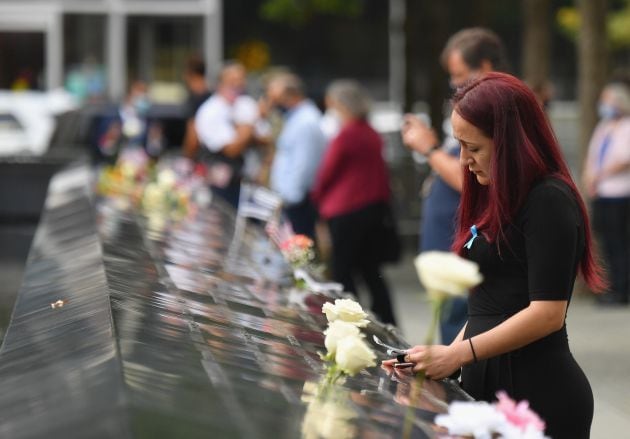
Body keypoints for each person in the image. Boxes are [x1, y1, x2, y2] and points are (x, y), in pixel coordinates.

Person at [386, 73, 606, 439]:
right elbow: (488, 306)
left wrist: (457, 356)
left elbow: (547, 313)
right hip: (487, 386)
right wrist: (439, 358)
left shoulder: (548, 199)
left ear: (510, 143)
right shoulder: (496, 194)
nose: (464, 160)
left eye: (474, 148)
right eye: (459, 145)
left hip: (537, 396)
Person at [402, 27, 509, 344]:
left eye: (460, 74)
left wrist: (429, 150)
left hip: (465, 253)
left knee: (461, 342)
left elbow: (473, 178)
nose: (454, 84)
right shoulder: (475, 108)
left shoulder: (493, 109)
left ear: (485, 67)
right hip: (454, 251)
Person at [311, 80, 396, 324]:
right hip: (372, 209)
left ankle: (349, 321)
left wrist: (317, 199)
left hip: (345, 210)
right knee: (371, 271)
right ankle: (386, 320)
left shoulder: (346, 135)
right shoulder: (370, 133)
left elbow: (327, 174)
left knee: (342, 271)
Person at [583, 82, 630, 305]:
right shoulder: (603, 126)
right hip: (601, 193)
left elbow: (624, 159)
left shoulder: (627, 127)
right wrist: (590, 177)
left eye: (608, 100)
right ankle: (609, 288)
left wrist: (601, 173)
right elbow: (593, 156)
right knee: (607, 243)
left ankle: (622, 290)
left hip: (619, 194)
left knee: (620, 242)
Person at [266, 72, 326, 239]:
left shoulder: (306, 121)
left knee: (300, 252)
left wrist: (290, 197)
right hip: (291, 200)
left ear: (290, 96)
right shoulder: (297, 119)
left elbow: (304, 165)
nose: (272, 104)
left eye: (275, 99)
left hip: (297, 202)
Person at [195, 61, 258, 208]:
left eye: (241, 79)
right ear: (221, 82)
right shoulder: (210, 110)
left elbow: (264, 139)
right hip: (222, 189)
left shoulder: (245, 103)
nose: (238, 85)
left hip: (247, 184)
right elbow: (232, 149)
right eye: (233, 80)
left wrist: (245, 133)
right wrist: (247, 127)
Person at [181, 55, 212, 159]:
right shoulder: (212, 96)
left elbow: (193, 136)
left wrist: (186, 158)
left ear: (190, 73)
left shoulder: (194, 98)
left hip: (201, 158)